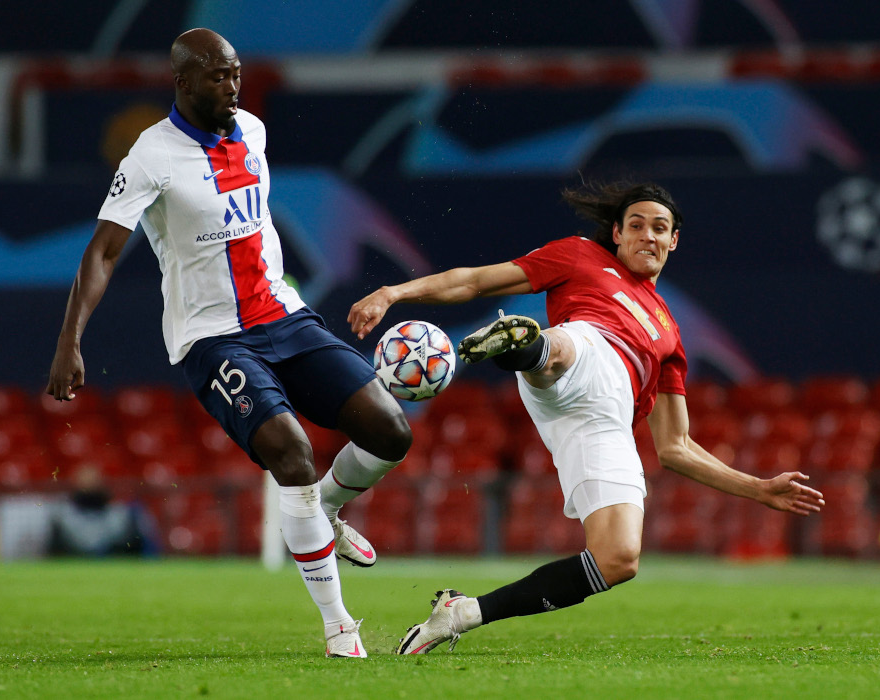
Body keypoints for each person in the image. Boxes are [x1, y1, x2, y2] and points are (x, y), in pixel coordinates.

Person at [46, 28, 412, 658]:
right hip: (213, 338)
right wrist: (69, 341)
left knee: (391, 431)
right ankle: (338, 624)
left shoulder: (254, 132)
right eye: (217, 75)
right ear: (183, 81)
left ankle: (321, 510)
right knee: (291, 454)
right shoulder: (150, 155)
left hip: (287, 318)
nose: (232, 85)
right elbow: (104, 251)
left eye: (236, 72)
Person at [347, 180, 826, 654]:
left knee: (619, 559)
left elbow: (675, 447)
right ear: (616, 233)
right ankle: (526, 345)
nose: (648, 236)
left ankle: (464, 613)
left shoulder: (669, 334)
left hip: (599, 423)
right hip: (585, 350)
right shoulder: (580, 256)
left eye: (660, 228)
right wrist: (394, 292)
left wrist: (758, 489)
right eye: (636, 225)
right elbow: (474, 279)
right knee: (571, 347)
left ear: (673, 240)